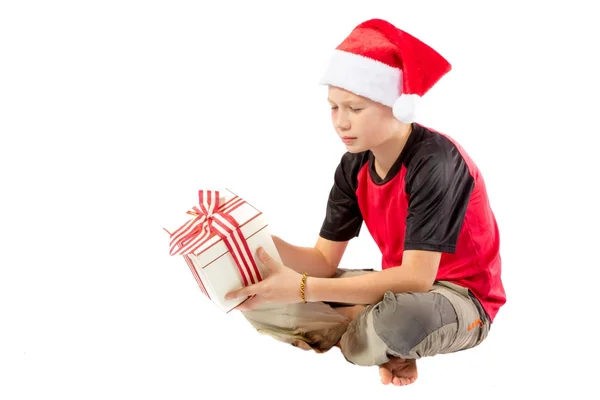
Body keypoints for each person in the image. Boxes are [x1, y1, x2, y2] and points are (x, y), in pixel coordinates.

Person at [225, 18, 506, 387]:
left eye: (355, 109)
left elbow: (418, 279)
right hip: (392, 289)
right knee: (258, 299)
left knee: (404, 318)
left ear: (396, 106)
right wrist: (253, 239)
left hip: (460, 300)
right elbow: (323, 263)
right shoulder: (353, 164)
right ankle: (379, 341)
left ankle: (376, 333)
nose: (341, 122)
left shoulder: (436, 162)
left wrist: (304, 290)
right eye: (334, 108)